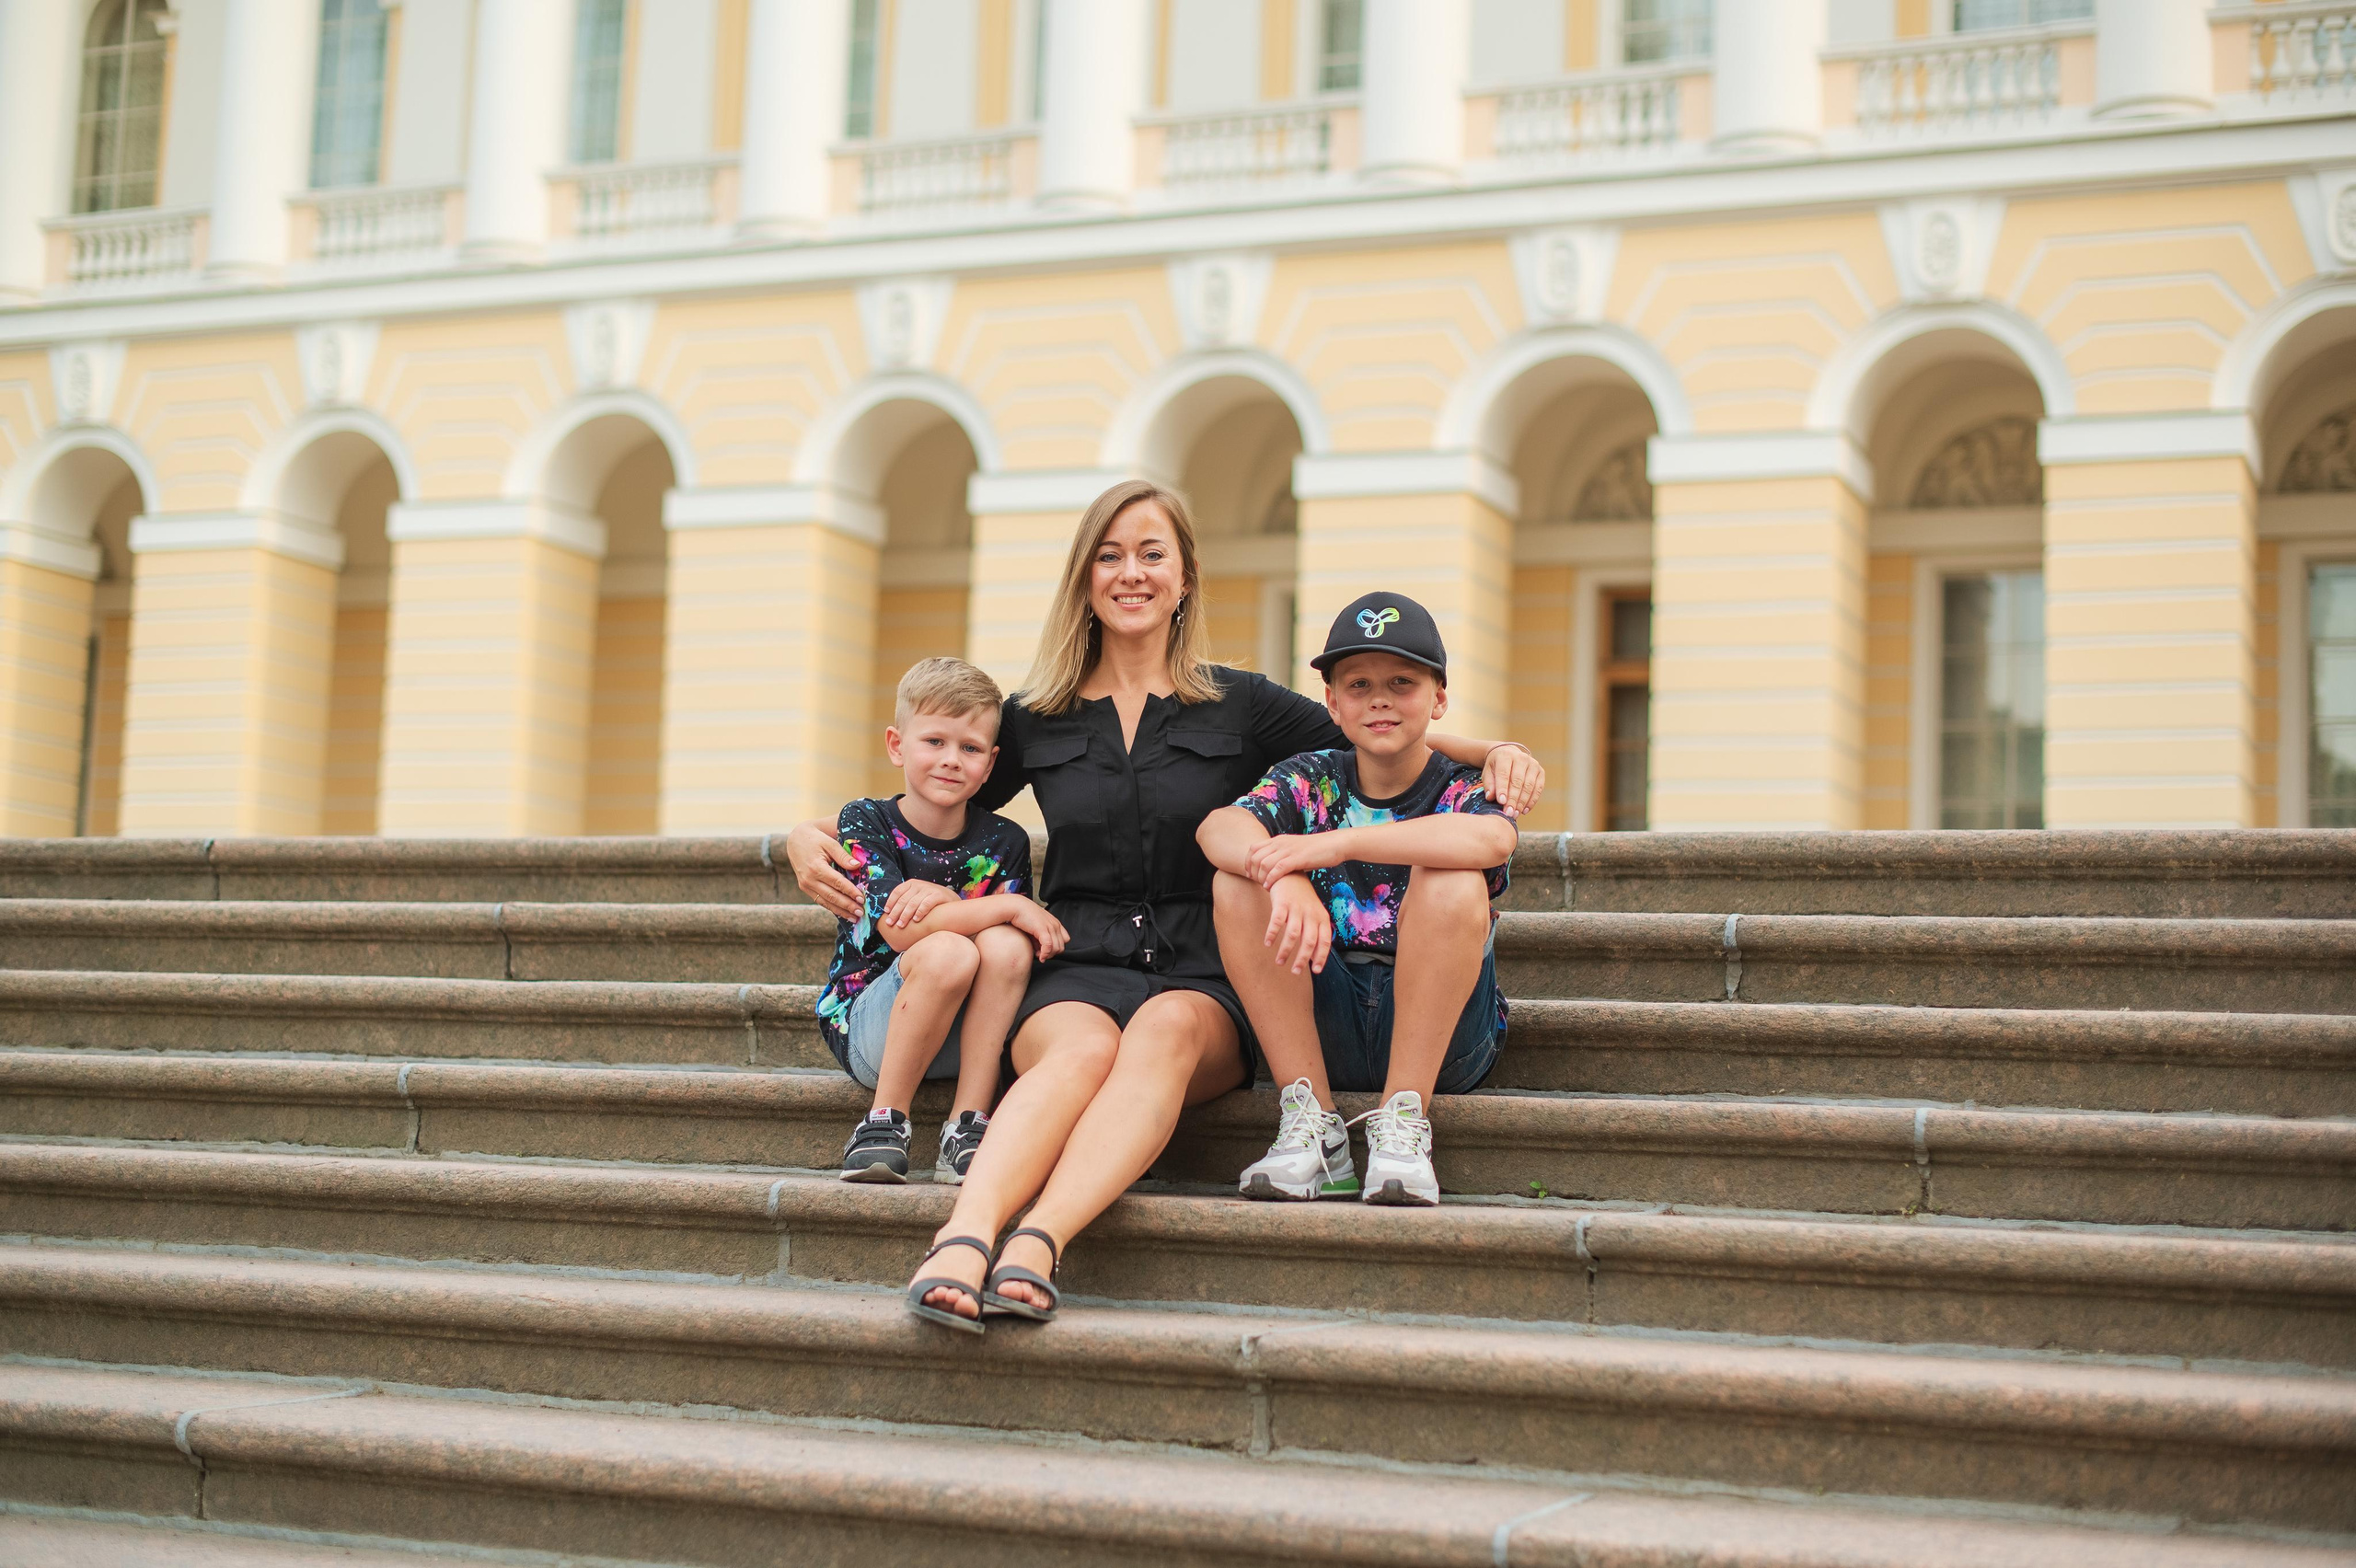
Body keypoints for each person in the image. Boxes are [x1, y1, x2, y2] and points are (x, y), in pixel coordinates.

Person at [786, 479, 1544, 1333]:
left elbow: (1374, 725)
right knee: (1072, 1056)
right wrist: (807, 833)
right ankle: (962, 1238)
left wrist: (1493, 749)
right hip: (1075, 960)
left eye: (1152, 554)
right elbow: (932, 794)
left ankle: (1039, 1242)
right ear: (1085, 579)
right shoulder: (1036, 716)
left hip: (1205, 974)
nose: (1131, 573)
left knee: (1160, 1041)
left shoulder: (1242, 702)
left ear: (1185, 578)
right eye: (1110, 556)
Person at [1198, 592, 1517, 1208]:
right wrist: (1282, 875)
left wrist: (1333, 847)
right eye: (1359, 683)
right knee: (1238, 878)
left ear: (1439, 699)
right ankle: (1315, 1128)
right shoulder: (1308, 774)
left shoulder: (1464, 786)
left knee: (1453, 873)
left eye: (1402, 682)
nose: (1379, 698)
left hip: (1445, 1036)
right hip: (1326, 1018)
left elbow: (1491, 836)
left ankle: (1403, 1124)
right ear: (1333, 703)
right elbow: (1219, 828)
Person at [814, 657, 1066, 1192]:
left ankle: (968, 1124)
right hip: (872, 1029)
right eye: (934, 742)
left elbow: (1005, 948)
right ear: (897, 744)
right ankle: (885, 1121)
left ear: (992, 761)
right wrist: (1009, 905)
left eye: (970, 749)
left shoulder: (1006, 840)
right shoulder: (867, 820)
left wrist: (962, 903)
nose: (952, 760)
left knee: (1007, 946)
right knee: (952, 948)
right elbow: (901, 933)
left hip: (968, 1032)